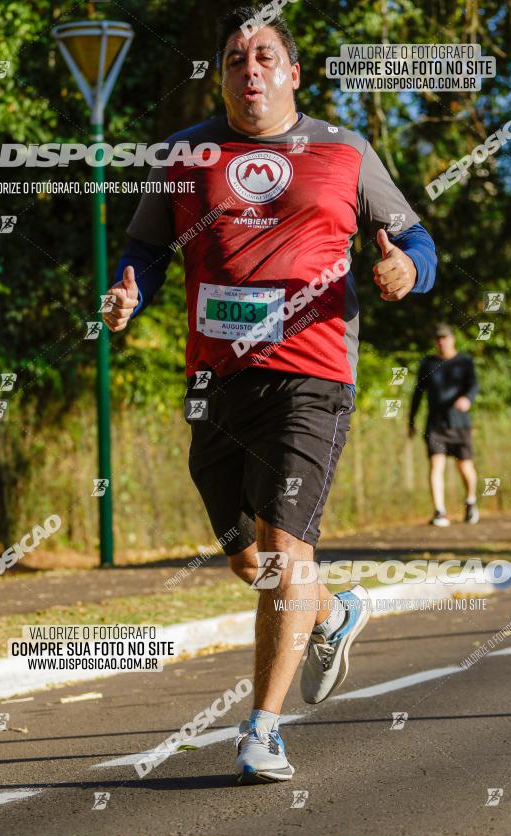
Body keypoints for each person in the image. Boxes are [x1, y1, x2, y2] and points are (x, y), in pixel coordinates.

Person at [104, 4, 437, 784]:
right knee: (248, 560)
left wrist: (405, 270)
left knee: (287, 556)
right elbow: (144, 250)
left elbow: (415, 239)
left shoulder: (343, 150)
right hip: (215, 377)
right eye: (231, 59)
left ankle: (261, 730)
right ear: (220, 76)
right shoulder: (184, 153)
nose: (246, 71)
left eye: (262, 58)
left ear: (291, 73)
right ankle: (332, 611)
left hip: (313, 371)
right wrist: (128, 291)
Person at [409, 323, 479, 527]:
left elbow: (474, 385)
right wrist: (412, 420)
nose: (442, 342)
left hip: (459, 424)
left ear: (452, 339)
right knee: (436, 464)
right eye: (438, 338)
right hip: (435, 425)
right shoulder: (428, 364)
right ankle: (439, 511)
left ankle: (470, 502)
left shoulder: (465, 362)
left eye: (445, 338)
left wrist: (468, 398)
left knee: (464, 466)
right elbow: (418, 393)